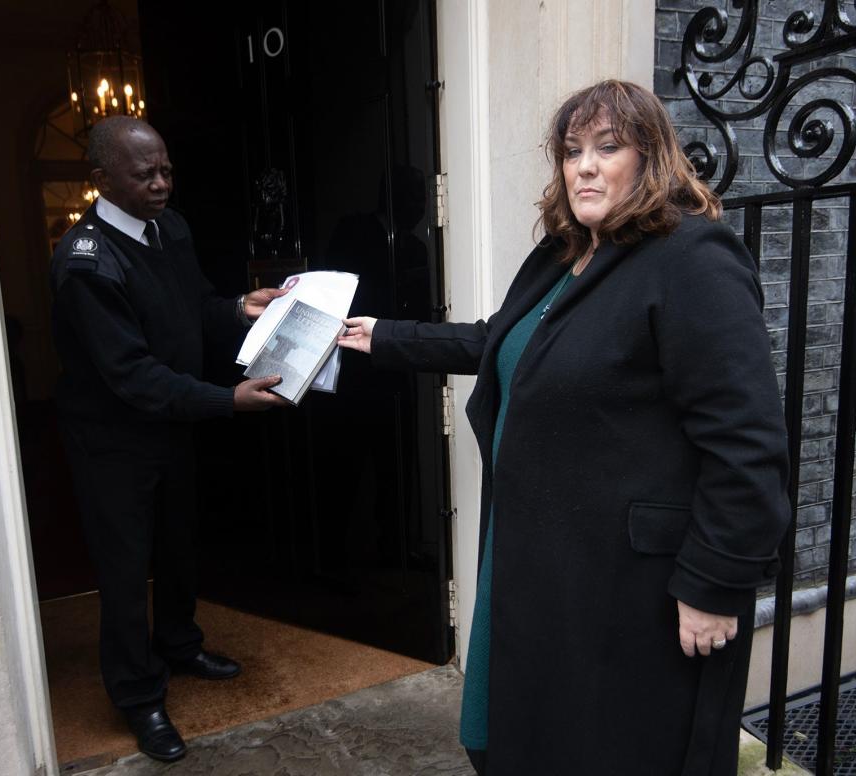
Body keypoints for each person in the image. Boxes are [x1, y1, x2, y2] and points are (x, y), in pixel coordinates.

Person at [338, 80, 791, 775]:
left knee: (612, 748)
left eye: (607, 148)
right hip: (542, 563)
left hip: (630, 589)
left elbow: (748, 440)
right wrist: (386, 336)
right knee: (529, 737)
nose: (583, 165)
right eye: (571, 150)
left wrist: (715, 582)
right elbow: (501, 341)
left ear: (651, 158)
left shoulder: (692, 259)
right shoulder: (562, 255)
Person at [50, 116, 288, 762]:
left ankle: (180, 646)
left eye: (166, 169)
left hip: (172, 426)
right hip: (114, 442)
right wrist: (227, 401)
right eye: (145, 173)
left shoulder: (170, 228)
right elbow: (133, 376)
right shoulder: (85, 263)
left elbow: (194, 307)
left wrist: (239, 307)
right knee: (127, 571)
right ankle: (138, 697)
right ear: (101, 179)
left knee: (180, 543)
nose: (162, 183)